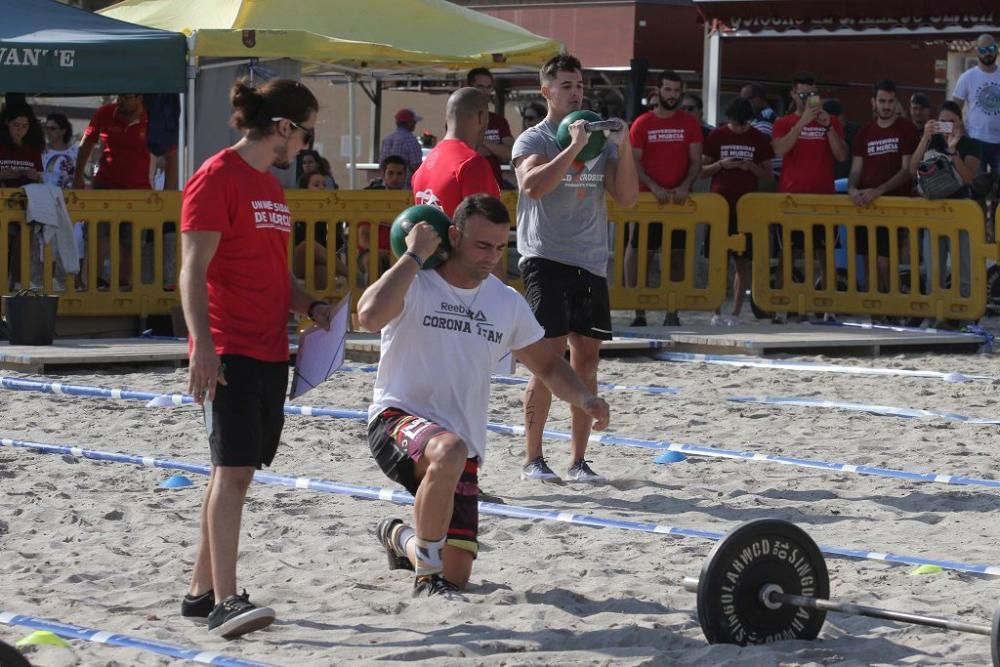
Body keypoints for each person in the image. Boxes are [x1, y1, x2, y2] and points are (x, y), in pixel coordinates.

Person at [359, 194, 610, 596]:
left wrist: (583, 397)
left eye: (499, 247)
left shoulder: (504, 301)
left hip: (462, 448)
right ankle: (426, 579)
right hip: (396, 420)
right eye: (482, 245)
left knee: (456, 574)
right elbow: (368, 316)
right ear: (454, 236)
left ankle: (399, 536)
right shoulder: (416, 281)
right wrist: (412, 255)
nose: (492, 256)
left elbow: (546, 364)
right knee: (448, 452)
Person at [179, 77, 335, 638]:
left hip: (271, 347)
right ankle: (224, 599)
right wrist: (203, 346)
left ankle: (199, 592)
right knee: (234, 473)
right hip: (231, 347)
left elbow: (275, 270)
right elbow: (192, 270)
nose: (305, 147)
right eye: (306, 133)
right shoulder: (216, 176)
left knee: (233, 471)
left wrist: (311, 304)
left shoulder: (270, 187)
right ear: (284, 128)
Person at [513, 53, 637, 483]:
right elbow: (533, 186)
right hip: (545, 257)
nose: (576, 92)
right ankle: (533, 458)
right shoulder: (535, 138)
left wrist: (624, 148)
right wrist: (573, 147)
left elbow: (627, 198)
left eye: (580, 85)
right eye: (566, 85)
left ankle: (579, 460)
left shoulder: (597, 138)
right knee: (546, 360)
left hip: (591, 260)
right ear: (545, 91)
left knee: (586, 362)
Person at [625, 69, 702, 327]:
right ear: (658, 91)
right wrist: (654, 186)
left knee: (677, 257)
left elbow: (695, 161)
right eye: (668, 90)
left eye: (677, 91)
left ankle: (673, 310)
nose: (672, 95)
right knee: (640, 254)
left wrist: (685, 185)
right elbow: (634, 162)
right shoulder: (643, 123)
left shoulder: (689, 123)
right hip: (648, 201)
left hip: (679, 204)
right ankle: (639, 310)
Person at [771, 72, 849, 320]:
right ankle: (782, 307)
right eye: (803, 94)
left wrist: (826, 126)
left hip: (823, 198)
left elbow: (841, 155)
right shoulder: (783, 122)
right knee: (788, 253)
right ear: (793, 94)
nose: (808, 99)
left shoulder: (832, 121)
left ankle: (828, 308)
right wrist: (802, 122)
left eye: (812, 94)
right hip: (792, 200)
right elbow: (781, 149)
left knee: (824, 254)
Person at [701, 97, 773, 324]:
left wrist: (751, 167)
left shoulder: (758, 138)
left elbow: (769, 174)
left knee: (743, 262)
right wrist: (722, 164)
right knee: (717, 262)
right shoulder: (717, 136)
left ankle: (735, 312)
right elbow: (702, 170)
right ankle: (716, 312)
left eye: (744, 124)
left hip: (746, 209)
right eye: (737, 124)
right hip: (720, 207)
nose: (741, 128)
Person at [74, 94, 153, 289]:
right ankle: (94, 282)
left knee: (131, 240)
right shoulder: (105, 112)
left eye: (126, 98)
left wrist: (168, 190)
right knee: (96, 235)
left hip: (138, 190)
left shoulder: (151, 117)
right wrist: (77, 177)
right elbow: (86, 144)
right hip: (105, 185)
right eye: (120, 96)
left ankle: (124, 284)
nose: (121, 101)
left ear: (139, 98)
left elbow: (170, 153)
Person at [847, 80, 919, 293]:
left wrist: (878, 191)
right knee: (869, 261)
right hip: (866, 206)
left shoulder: (907, 129)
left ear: (896, 102)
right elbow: (855, 170)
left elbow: (907, 170)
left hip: (892, 206)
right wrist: (852, 189)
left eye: (890, 101)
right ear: (873, 102)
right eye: (882, 101)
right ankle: (878, 313)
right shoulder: (864, 132)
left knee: (884, 262)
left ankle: (894, 308)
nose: (886, 106)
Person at [910, 101, 983, 303]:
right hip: (934, 213)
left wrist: (952, 151)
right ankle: (936, 316)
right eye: (942, 122)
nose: (947, 126)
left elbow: (969, 177)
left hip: (961, 213)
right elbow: (912, 169)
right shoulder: (931, 142)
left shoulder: (971, 144)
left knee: (964, 270)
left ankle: (965, 317)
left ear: (960, 121)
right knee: (934, 271)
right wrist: (925, 137)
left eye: (951, 122)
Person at [412, 88, 499, 216]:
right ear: (481, 117)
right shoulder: (472, 164)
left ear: (447, 119)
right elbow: (482, 229)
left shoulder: (423, 167)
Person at [953, 34, 1000, 226]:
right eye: (983, 50)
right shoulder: (967, 77)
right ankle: (979, 228)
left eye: (991, 49)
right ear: (976, 51)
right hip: (976, 141)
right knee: (977, 186)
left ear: (996, 50)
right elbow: (954, 107)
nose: (987, 53)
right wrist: (960, 132)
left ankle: (995, 227)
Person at [0, 103, 44, 290]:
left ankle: (16, 283)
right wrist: (17, 173)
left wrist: (35, 176)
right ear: (7, 124)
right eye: (16, 125)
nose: (20, 130)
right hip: (2, 207)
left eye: (24, 126)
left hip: (24, 208)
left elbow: (40, 178)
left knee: (22, 241)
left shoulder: (32, 150)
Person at [467, 67, 514, 189]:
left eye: (488, 87)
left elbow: (510, 153)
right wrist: (495, 148)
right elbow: (466, 153)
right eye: (480, 86)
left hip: (494, 185)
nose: (485, 91)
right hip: (467, 183)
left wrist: (481, 140)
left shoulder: (499, 121)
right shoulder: (459, 119)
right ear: (469, 87)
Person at [380, 108, 423, 184]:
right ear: (409, 122)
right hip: (406, 187)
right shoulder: (411, 140)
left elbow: (382, 165)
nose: (415, 124)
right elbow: (417, 167)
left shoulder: (387, 139)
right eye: (414, 122)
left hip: (388, 186)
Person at [41, 113, 77, 189]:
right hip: (45, 194)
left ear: (63, 131)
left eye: (53, 129)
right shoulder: (41, 150)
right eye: (47, 128)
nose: (48, 132)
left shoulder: (75, 151)